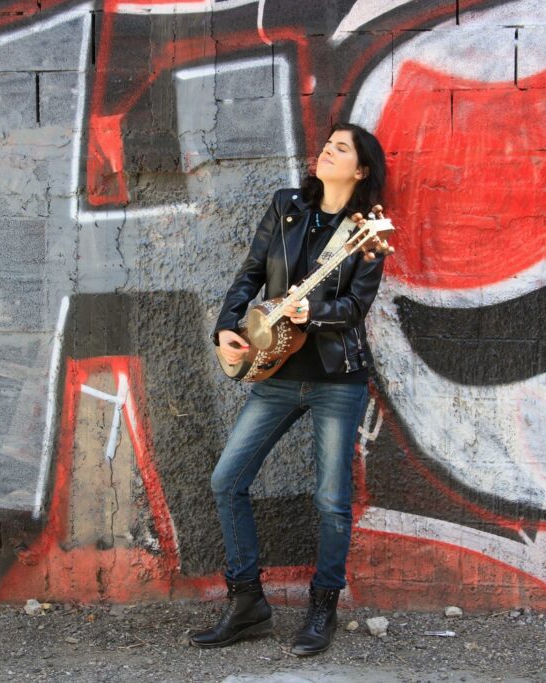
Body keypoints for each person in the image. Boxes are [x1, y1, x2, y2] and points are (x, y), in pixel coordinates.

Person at [190, 123, 392, 656]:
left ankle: (322, 608)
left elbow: (354, 309)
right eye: (328, 143)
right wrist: (227, 327)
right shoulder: (286, 207)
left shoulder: (368, 232)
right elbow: (250, 273)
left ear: (361, 170)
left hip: (336, 381)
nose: (328, 150)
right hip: (275, 374)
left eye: (341, 148)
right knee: (227, 479)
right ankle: (247, 604)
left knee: (331, 501)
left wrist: (314, 311)